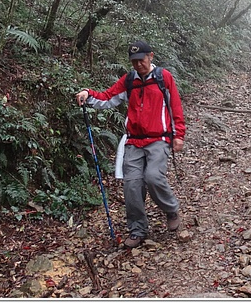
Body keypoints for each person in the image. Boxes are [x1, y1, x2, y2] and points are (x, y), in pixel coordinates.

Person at [75, 40, 186, 249]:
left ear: (150, 57)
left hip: (159, 139)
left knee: (153, 177)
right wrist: (88, 95)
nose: (137, 65)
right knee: (132, 185)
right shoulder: (129, 80)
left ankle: (170, 209)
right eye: (133, 62)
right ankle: (137, 229)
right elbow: (108, 97)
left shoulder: (163, 78)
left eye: (141, 60)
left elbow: (175, 106)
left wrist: (178, 134)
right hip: (134, 140)